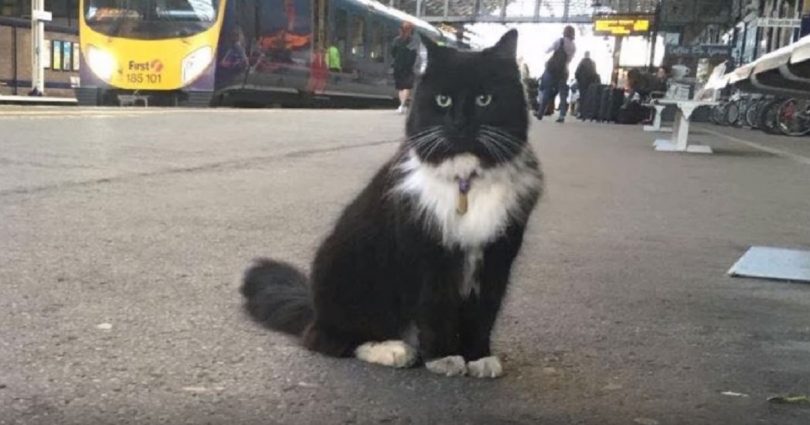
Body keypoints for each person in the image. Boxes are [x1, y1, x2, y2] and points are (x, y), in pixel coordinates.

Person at [536, 25, 576, 123]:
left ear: (564, 32)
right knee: (563, 94)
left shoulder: (560, 41)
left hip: (552, 70)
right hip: (563, 71)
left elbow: (547, 50)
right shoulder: (573, 46)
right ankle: (562, 115)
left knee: (546, 90)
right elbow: (569, 60)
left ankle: (540, 112)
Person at [391, 22, 418, 114]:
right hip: (409, 66)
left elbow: (393, 52)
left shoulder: (396, 40)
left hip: (397, 66)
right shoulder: (413, 41)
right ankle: (402, 105)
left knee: (400, 87)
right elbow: (414, 54)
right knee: (407, 86)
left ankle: (401, 105)